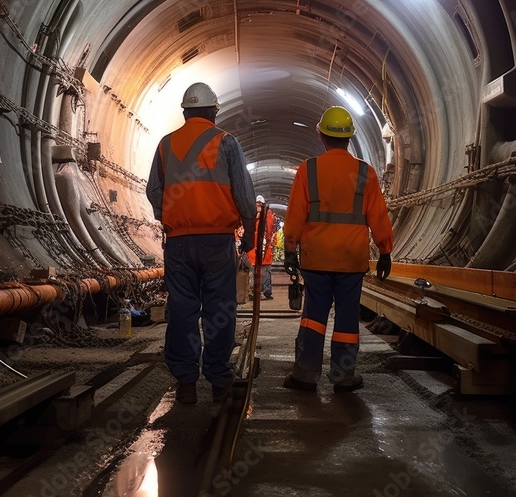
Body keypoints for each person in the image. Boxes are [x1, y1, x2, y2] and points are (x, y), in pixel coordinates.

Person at [146, 82, 257, 404]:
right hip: (216, 240)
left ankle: (186, 382)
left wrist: (170, 217)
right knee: (219, 310)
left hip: (178, 243)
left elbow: (154, 190)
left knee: (182, 310)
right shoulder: (226, 142)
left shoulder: (166, 144)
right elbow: (244, 193)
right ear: (213, 111)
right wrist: (248, 231)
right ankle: (219, 379)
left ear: (185, 111)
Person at [282, 106, 393, 393]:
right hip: (351, 260)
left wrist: (291, 249)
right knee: (346, 318)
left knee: (313, 316)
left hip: (317, 258)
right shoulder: (365, 172)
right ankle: (343, 377)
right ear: (350, 137)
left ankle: (306, 374)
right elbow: (378, 215)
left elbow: (295, 213)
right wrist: (385, 251)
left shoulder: (309, 170)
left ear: (321, 135)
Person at [245, 195, 277, 299]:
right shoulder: (269, 215)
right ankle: (263, 292)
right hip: (260, 252)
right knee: (263, 273)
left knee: (257, 273)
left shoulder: (251, 216)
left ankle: (257, 292)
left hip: (256, 252)